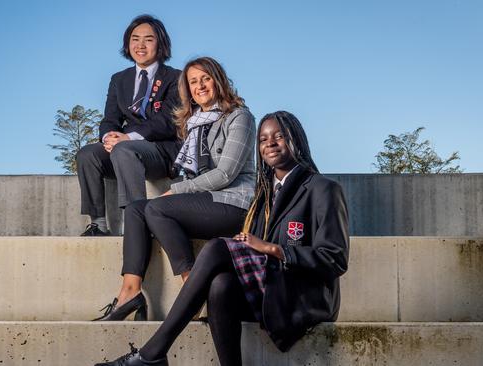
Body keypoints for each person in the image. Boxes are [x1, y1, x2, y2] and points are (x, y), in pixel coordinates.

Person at [94, 111, 349, 366]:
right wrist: (250, 244)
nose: (270, 143)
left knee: (218, 247)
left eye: (279, 136)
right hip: (272, 289)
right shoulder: (264, 194)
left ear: (297, 140)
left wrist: (273, 249)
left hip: (302, 298)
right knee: (220, 285)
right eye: (263, 139)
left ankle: (152, 354)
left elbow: (335, 259)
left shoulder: (323, 189)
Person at [93, 56, 256, 322]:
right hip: (203, 202)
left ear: (219, 81)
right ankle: (130, 293)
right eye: (193, 81)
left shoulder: (239, 117)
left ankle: (193, 286)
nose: (200, 86)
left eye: (206, 78)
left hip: (233, 203)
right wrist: (180, 191)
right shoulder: (192, 124)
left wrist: (178, 191)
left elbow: (225, 173)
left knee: (156, 207)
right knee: (136, 210)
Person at [76, 15, 181, 236]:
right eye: (135, 39)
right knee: (87, 154)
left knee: (125, 148)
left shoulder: (175, 78)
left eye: (148, 39)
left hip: (161, 151)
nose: (140, 45)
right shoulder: (119, 79)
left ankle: (135, 220)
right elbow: (109, 120)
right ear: (128, 43)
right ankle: (98, 224)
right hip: (125, 150)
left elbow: (168, 121)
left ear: (160, 44)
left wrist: (128, 138)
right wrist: (109, 138)